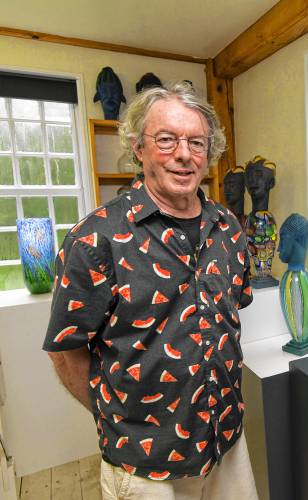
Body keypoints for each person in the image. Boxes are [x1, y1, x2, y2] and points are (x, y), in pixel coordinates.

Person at [43, 82, 258, 499]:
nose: (183, 153)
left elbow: (230, 315)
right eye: (166, 139)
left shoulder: (229, 228)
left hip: (226, 444)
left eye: (197, 142)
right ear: (138, 149)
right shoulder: (96, 239)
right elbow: (65, 351)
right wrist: (121, 419)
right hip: (144, 466)